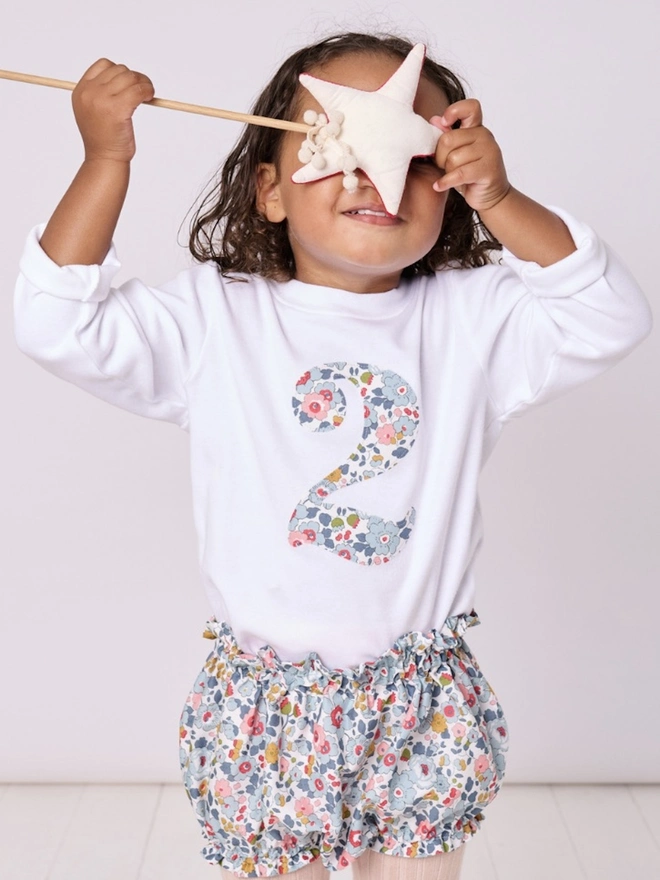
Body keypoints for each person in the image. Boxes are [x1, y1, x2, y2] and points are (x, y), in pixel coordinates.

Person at [12, 31, 652, 880]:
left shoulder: (474, 320)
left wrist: (501, 196)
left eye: (418, 152)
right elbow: (58, 322)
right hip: (265, 708)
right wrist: (106, 159)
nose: (370, 169)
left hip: (422, 698)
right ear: (270, 192)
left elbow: (608, 315)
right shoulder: (217, 318)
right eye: (331, 143)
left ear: (451, 186)